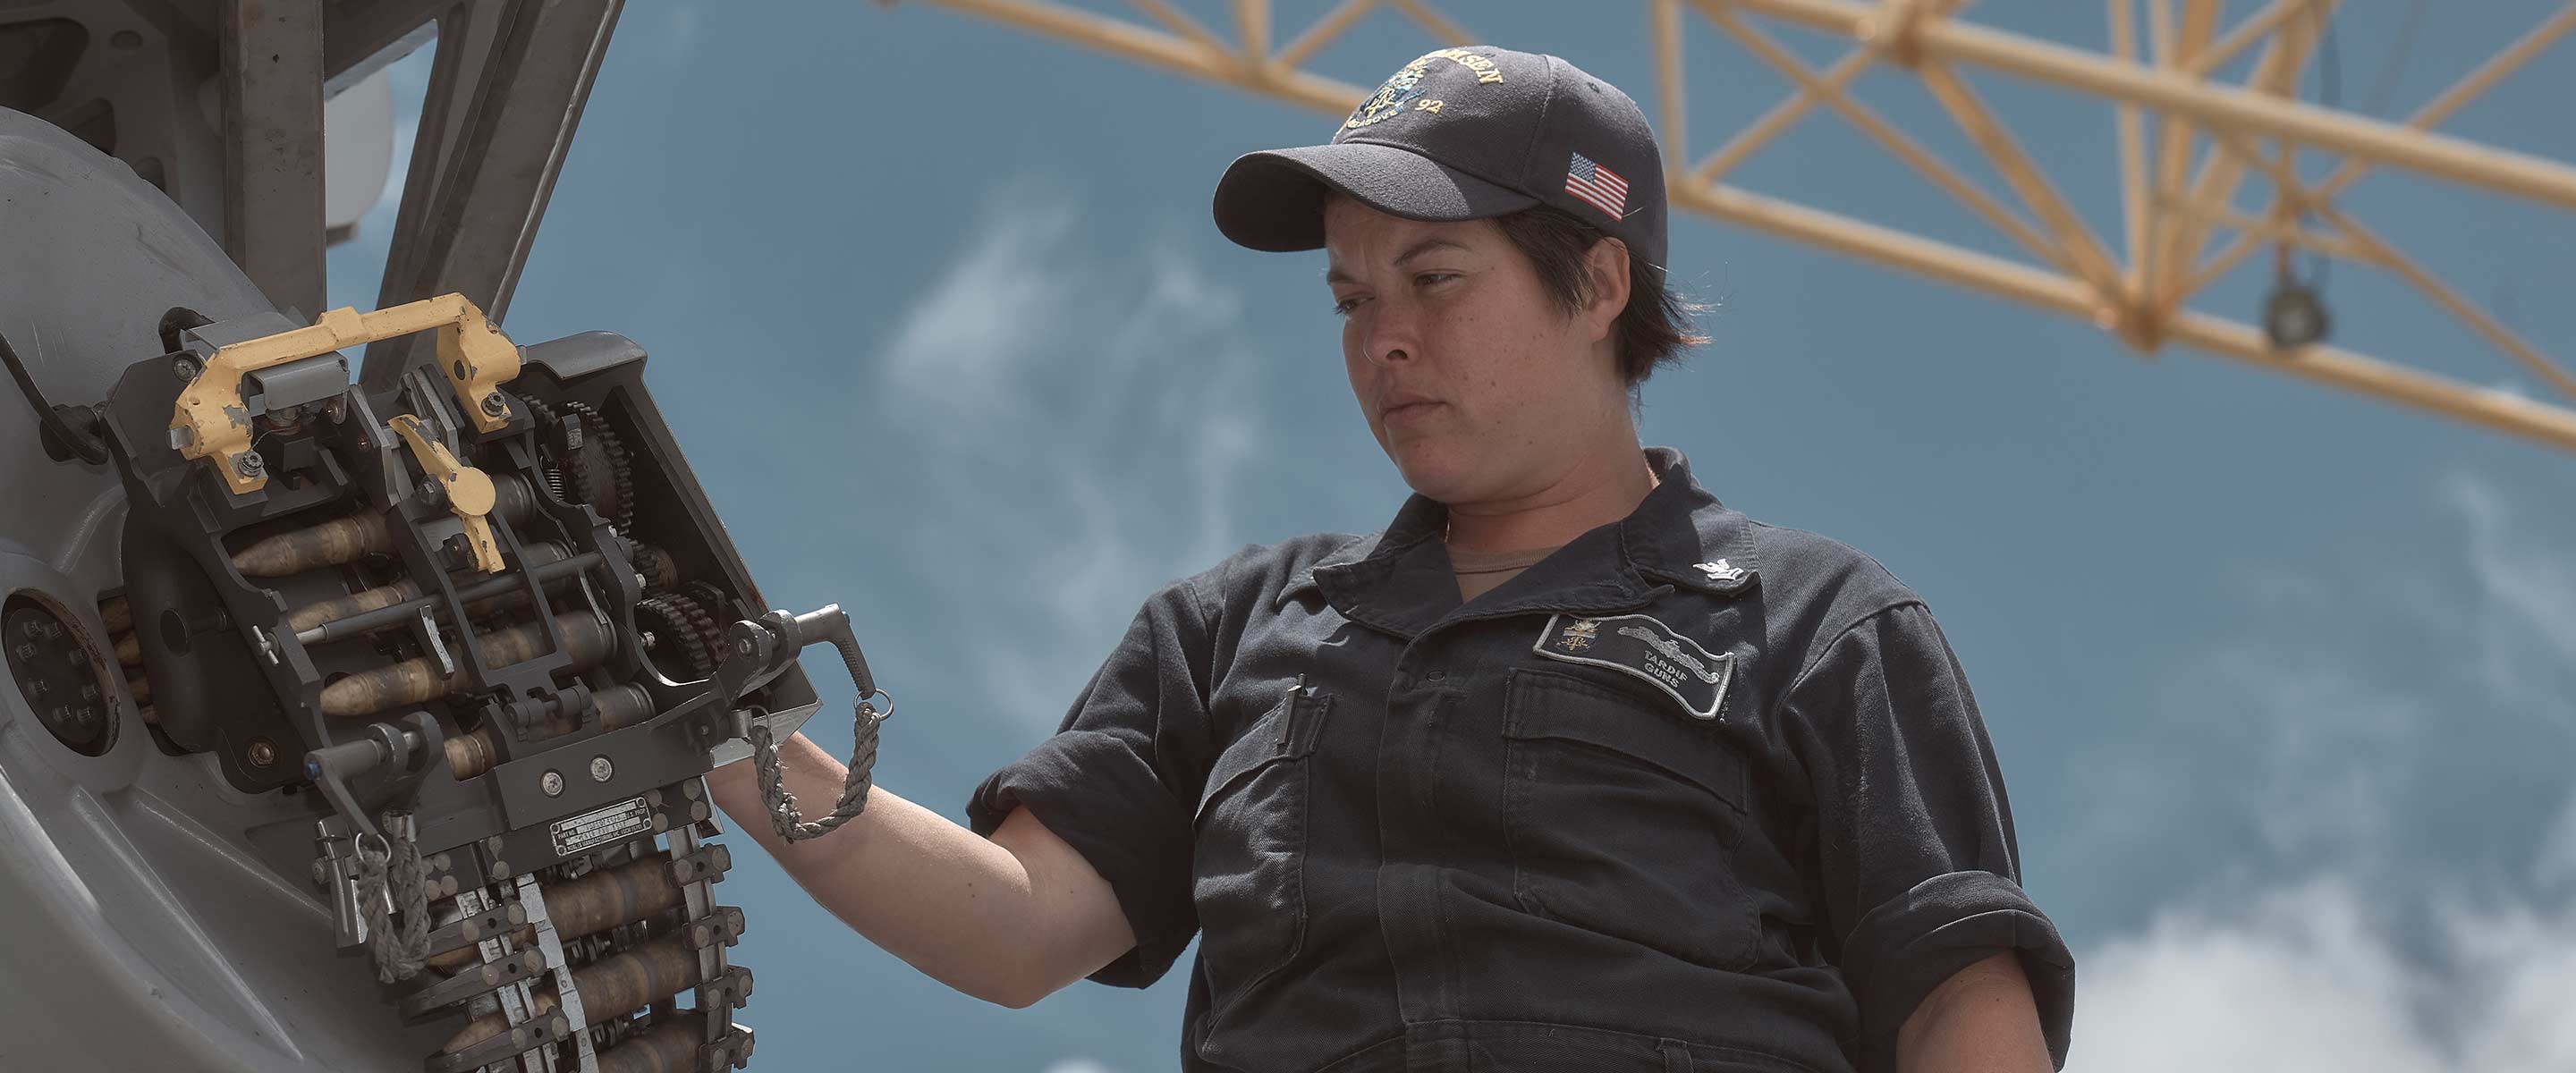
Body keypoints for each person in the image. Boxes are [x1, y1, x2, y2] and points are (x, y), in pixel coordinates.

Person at [710, 44, 2072, 1073]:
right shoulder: (1233, 627)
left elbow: (1960, 1000)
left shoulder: (1817, 621)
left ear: (1598, 286)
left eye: (1436, 281)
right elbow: (1013, 927)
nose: (1384, 341)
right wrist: (718, 732)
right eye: (1353, 299)